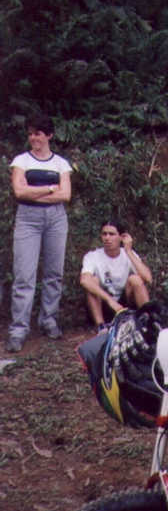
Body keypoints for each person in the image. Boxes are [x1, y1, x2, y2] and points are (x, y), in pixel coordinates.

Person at [5, 115, 72, 353]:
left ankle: (48, 320)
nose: (34, 138)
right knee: (24, 275)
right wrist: (49, 188)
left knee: (54, 273)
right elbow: (19, 192)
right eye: (31, 133)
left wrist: (37, 191)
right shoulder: (21, 161)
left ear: (49, 136)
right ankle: (19, 329)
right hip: (28, 220)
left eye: (39, 133)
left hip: (56, 219)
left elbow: (65, 196)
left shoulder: (61, 164)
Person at [80, 220, 152, 330]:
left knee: (136, 279)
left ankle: (148, 321)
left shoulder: (128, 254)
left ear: (121, 237)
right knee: (92, 281)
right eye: (104, 234)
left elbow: (148, 278)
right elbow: (84, 280)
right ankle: (101, 326)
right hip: (104, 304)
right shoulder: (92, 256)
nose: (107, 238)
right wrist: (110, 301)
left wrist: (128, 251)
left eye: (112, 234)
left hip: (124, 303)